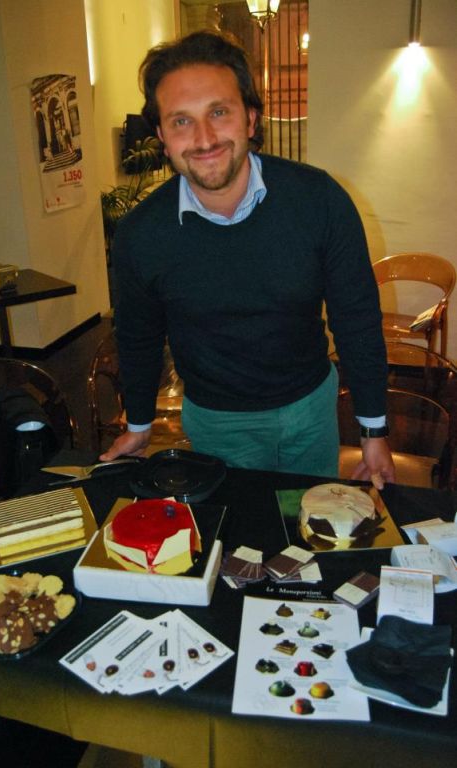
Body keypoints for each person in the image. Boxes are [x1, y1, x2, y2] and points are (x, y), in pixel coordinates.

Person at [100, 30, 395, 489]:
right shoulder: (141, 234)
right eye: (181, 121)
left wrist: (373, 429)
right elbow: (138, 337)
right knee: (234, 529)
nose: (204, 138)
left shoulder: (319, 200)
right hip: (216, 422)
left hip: (310, 410)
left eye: (219, 112)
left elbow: (356, 317)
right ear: (161, 136)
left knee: (309, 521)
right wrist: (139, 424)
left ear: (251, 118)